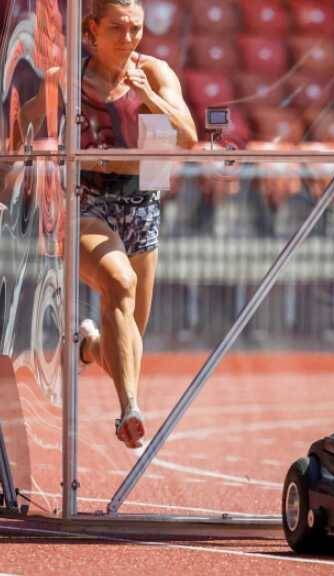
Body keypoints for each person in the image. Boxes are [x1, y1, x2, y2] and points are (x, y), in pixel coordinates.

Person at [18, 0, 198, 448]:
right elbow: (25, 120)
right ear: (92, 31)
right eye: (118, 28)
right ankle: (129, 411)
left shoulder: (154, 72)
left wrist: (148, 95)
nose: (129, 38)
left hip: (142, 204)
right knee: (119, 284)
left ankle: (87, 346)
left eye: (136, 28)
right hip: (87, 203)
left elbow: (189, 137)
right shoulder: (70, 79)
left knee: (129, 343)